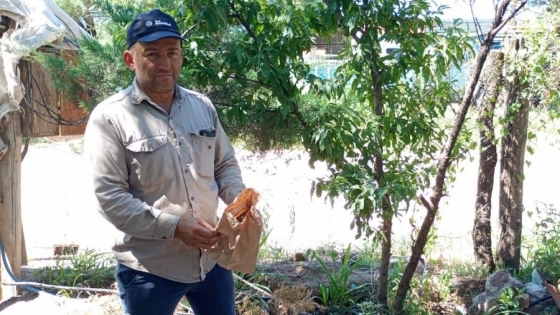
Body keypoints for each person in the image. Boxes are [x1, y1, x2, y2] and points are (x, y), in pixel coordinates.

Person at [84, 8, 245, 315]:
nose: (165, 63)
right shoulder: (110, 118)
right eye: (152, 54)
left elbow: (224, 164)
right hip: (149, 269)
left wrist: (238, 200)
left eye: (172, 52)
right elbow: (109, 197)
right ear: (130, 59)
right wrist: (175, 226)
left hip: (210, 261)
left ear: (181, 55)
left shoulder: (202, 106)